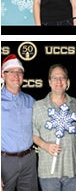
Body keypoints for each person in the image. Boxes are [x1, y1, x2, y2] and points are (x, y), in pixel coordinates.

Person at [32, 64, 76, 190]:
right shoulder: (38, 106)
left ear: (67, 81)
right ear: (49, 82)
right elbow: (33, 134)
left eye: (62, 78)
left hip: (71, 169)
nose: (59, 81)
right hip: (49, 171)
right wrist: (45, 145)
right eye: (55, 78)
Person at [1, 55, 38, 191]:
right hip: (4, 162)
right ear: (3, 75)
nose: (16, 75)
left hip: (29, 159)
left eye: (19, 72)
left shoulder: (31, 101)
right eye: (11, 71)